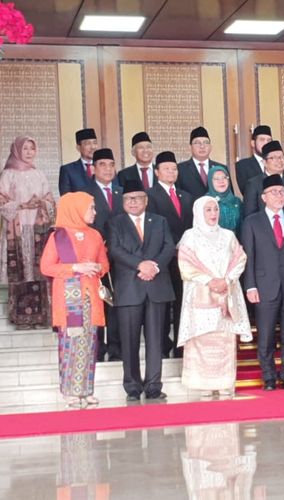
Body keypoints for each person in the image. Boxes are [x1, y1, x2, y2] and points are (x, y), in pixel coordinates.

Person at [177, 196, 252, 397]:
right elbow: (185, 265)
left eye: (215, 210)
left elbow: (240, 259)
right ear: (199, 212)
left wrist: (226, 280)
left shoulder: (228, 236)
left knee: (224, 339)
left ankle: (225, 383)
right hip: (201, 294)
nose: (213, 214)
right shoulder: (190, 236)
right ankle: (204, 385)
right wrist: (210, 281)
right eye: (208, 210)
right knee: (203, 338)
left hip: (226, 295)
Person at [108, 180, 176, 401]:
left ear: (146, 200)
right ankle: (132, 387)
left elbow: (168, 247)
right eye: (128, 199)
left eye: (137, 198)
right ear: (123, 201)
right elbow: (116, 250)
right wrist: (141, 265)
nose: (133, 202)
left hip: (157, 285)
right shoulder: (115, 223)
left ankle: (154, 385)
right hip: (129, 288)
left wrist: (153, 266)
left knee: (156, 339)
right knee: (129, 340)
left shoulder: (159, 221)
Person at [241, 175, 284, 390]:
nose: (279, 196)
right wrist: (250, 285)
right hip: (264, 286)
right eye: (274, 192)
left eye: (282, 192)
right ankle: (269, 377)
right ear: (263, 197)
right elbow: (248, 256)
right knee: (266, 335)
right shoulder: (252, 222)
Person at [40, 192, 109, 407]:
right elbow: (46, 267)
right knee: (70, 345)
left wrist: (98, 268)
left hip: (91, 299)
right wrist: (75, 268)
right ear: (76, 209)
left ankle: (86, 390)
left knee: (89, 345)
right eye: (91, 208)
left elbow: (105, 265)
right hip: (69, 300)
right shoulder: (58, 236)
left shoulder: (95, 235)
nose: (94, 212)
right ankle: (70, 391)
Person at [0, 136, 55, 329]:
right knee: (21, 272)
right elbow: (0, 202)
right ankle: (21, 318)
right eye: (25, 148)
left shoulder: (39, 175)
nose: (29, 152)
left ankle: (41, 317)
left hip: (38, 230)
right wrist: (23, 205)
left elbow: (51, 201)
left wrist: (42, 203)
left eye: (32, 149)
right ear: (17, 150)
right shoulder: (8, 175)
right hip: (18, 231)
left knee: (39, 272)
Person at [146, 151, 194, 358]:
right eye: (166, 168)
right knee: (164, 303)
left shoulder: (186, 196)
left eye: (174, 168)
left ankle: (181, 344)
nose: (171, 172)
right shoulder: (150, 195)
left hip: (185, 258)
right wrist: (170, 248)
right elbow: (154, 228)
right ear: (157, 172)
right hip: (163, 258)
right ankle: (163, 345)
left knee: (184, 300)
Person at [84, 147, 124, 362]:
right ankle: (97, 349)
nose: (108, 169)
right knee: (97, 302)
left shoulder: (122, 192)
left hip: (119, 259)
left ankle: (116, 347)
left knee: (116, 302)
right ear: (93, 168)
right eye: (102, 164)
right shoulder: (84, 193)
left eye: (111, 164)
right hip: (93, 259)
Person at [243, 140, 284, 217]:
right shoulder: (253, 184)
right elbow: (249, 216)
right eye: (273, 158)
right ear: (264, 162)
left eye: (281, 157)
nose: (279, 161)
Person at [177, 126, 228, 201]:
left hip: (216, 211)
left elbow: (228, 194)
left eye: (206, 143)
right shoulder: (180, 169)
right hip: (190, 211)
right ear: (190, 147)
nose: (202, 146)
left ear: (210, 147)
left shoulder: (221, 168)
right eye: (197, 143)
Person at [58, 128, 99, 195]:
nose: (92, 147)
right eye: (88, 143)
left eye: (95, 143)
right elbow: (66, 198)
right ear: (78, 148)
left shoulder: (105, 168)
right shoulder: (68, 170)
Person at [235, 125, 272, 194]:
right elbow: (247, 192)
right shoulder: (243, 165)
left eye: (269, 140)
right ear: (253, 143)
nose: (266, 143)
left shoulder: (278, 164)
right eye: (262, 140)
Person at [206, 165, 242, 234]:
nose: (221, 181)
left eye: (224, 177)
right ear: (210, 181)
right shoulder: (205, 202)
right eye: (217, 179)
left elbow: (242, 227)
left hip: (235, 242)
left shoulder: (237, 201)